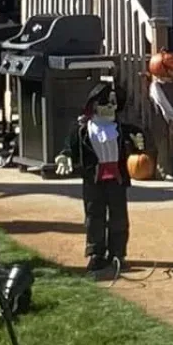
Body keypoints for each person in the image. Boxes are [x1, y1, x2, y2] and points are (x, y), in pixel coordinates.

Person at [53, 81, 143, 278]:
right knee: (95, 216)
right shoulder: (82, 129)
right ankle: (96, 253)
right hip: (94, 178)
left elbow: (140, 142)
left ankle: (118, 253)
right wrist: (65, 156)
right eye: (105, 103)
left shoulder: (122, 128)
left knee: (118, 218)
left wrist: (139, 143)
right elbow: (71, 148)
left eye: (113, 103)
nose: (110, 106)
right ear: (94, 105)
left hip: (117, 178)